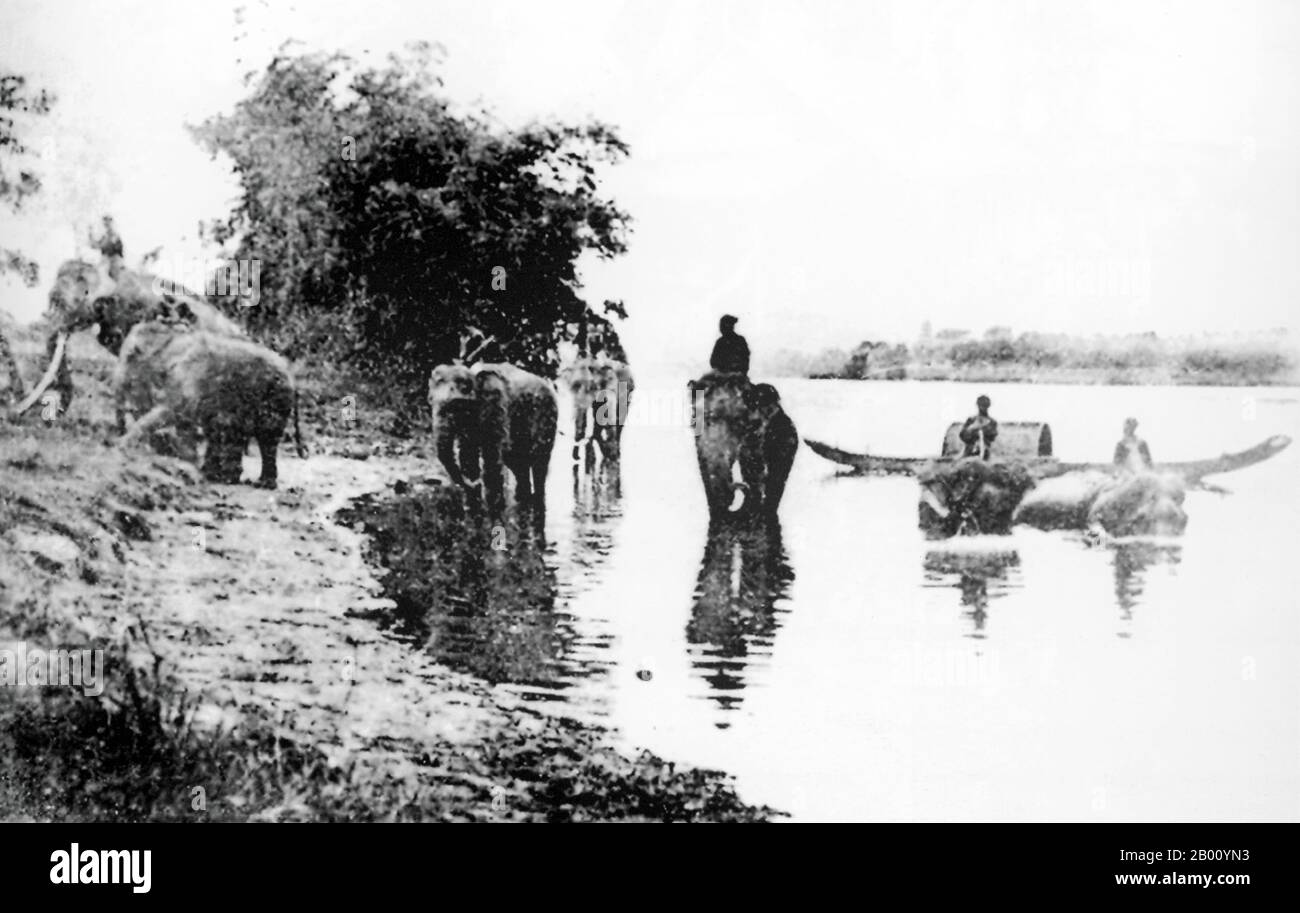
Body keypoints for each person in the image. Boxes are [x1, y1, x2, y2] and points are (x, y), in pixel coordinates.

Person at [959, 395, 998, 459]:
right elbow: (962, 435)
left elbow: (992, 436)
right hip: (969, 451)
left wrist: (982, 430)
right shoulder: (971, 420)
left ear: (988, 406)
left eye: (985, 405)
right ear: (977, 405)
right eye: (981, 405)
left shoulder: (992, 422)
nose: (982, 408)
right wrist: (971, 428)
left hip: (985, 452)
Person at [90, 215, 125, 280]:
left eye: (107, 222)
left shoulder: (114, 235)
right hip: (107, 261)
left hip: (114, 261)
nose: (105, 224)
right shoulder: (106, 235)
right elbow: (95, 246)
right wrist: (90, 234)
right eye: (105, 222)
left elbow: (102, 245)